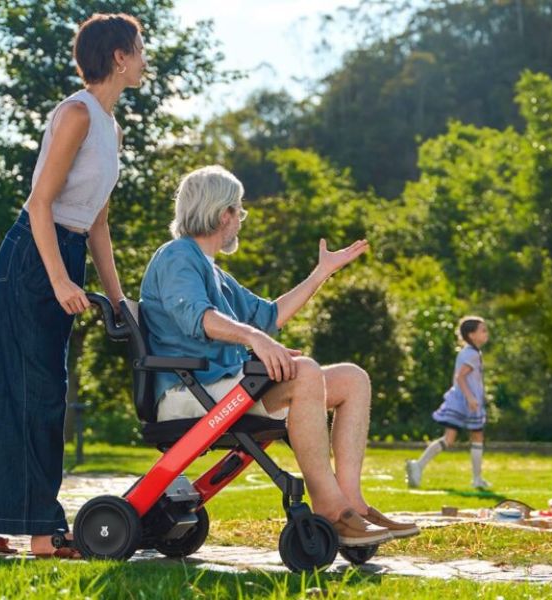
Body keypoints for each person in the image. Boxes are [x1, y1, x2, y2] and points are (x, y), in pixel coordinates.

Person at [0, 13, 146, 558]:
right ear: (119, 56)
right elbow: (40, 204)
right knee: (41, 395)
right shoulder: (76, 113)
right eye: (140, 49)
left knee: (29, 394)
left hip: (63, 251)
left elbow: (96, 221)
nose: (146, 59)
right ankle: (42, 531)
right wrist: (57, 280)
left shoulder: (111, 126)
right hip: (33, 254)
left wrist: (119, 299)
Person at [139, 165, 419, 547]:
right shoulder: (176, 257)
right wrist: (255, 339)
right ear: (225, 215)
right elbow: (198, 318)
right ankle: (331, 511)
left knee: (352, 379)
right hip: (190, 392)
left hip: (221, 391)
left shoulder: (213, 271)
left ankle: (352, 503)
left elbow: (268, 317)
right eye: (239, 211)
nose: (241, 219)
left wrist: (321, 273)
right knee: (303, 372)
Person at [406, 316, 490, 489]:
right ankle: (476, 479)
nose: (486, 333)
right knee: (475, 435)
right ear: (471, 335)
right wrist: (471, 398)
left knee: (450, 438)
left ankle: (418, 465)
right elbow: (460, 377)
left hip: (460, 401)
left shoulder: (469, 352)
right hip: (465, 403)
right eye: (483, 330)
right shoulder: (472, 354)